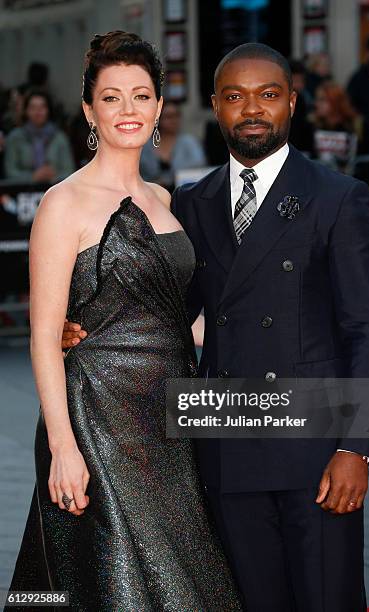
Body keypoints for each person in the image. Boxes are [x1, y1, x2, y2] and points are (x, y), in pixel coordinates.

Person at [64, 43, 369, 610]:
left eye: (268, 95)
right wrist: (91, 326)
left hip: (315, 450)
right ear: (215, 106)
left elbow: (368, 330)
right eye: (236, 97)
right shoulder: (194, 201)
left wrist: (357, 450)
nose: (253, 110)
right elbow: (169, 309)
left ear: (292, 101)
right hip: (227, 442)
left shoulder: (339, 197)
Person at [7, 31, 241, 611]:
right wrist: (63, 445)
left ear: (160, 107)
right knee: (120, 585)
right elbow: (43, 336)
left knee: (190, 577)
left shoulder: (165, 200)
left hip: (171, 424)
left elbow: (176, 320)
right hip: (96, 420)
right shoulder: (63, 203)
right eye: (112, 97)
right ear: (89, 109)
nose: (128, 110)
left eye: (141, 96)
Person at [4, 89, 74, 183]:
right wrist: (33, 177)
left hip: (55, 190)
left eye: (42, 107)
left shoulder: (59, 137)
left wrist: (53, 177)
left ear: (48, 110)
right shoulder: (15, 137)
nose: (38, 112)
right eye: (33, 107)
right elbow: (10, 172)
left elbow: (69, 171)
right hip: (21, 191)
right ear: (26, 111)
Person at [140, 101, 206, 191]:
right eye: (168, 117)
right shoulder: (145, 145)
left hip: (184, 193)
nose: (173, 120)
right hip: (151, 196)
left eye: (176, 116)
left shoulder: (189, 142)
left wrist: (169, 180)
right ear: (158, 119)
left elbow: (199, 166)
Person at [311, 81, 361, 170]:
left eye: (322, 100)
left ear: (335, 101)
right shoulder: (311, 126)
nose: (317, 104)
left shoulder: (355, 126)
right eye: (317, 99)